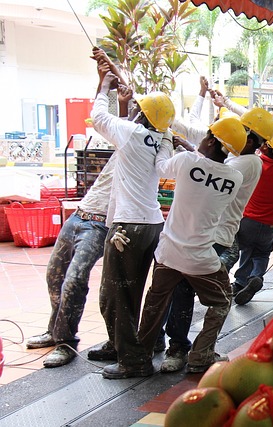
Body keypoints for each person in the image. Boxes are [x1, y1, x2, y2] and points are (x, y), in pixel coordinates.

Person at [24, 58, 132, 368]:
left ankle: (66, 343)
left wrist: (106, 82)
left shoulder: (147, 144)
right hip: (81, 215)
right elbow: (123, 112)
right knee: (54, 276)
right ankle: (54, 329)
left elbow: (123, 108)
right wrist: (105, 80)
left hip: (99, 226)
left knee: (74, 279)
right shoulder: (130, 136)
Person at [131, 116, 246, 375]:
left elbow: (162, 167)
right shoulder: (234, 178)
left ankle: (139, 357)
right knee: (222, 301)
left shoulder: (185, 161)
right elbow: (206, 169)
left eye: (206, 136)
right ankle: (200, 354)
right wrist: (188, 148)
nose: (202, 140)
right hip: (200, 259)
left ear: (212, 141)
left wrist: (165, 142)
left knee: (155, 302)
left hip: (168, 253)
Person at [157, 107, 266, 373]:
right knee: (188, 292)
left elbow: (210, 165)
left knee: (203, 295)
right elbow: (207, 160)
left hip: (217, 239)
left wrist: (188, 150)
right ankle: (184, 348)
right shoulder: (242, 161)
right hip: (211, 235)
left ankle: (191, 349)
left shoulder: (244, 164)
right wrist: (191, 147)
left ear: (250, 140)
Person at [90, 71, 175, 379]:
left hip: (126, 227)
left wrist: (105, 87)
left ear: (141, 113)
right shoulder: (162, 141)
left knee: (116, 296)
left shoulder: (129, 132)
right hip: (152, 225)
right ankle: (138, 346)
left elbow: (98, 116)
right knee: (136, 291)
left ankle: (132, 362)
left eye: (138, 107)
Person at [233, 124, 273, 305]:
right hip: (269, 223)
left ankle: (239, 282)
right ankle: (255, 277)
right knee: (262, 254)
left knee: (245, 251)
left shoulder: (256, 163)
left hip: (248, 219)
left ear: (265, 146)